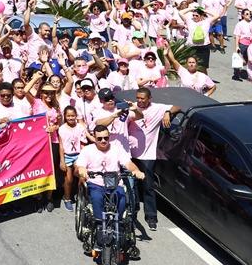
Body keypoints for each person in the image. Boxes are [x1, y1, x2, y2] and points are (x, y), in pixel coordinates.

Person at [127, 87, 177, 231]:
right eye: (138, 98)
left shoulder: (158, 108)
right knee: (131, 187)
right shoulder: (132, 108)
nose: (140, 101)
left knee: (148, 187)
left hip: (147, 156)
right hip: (130, 154)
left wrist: (167, 112)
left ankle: (151, 217)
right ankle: (132, 216)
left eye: (143, 98)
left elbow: (177, 106)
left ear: (149, 99)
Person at [76, 124, 144, 225]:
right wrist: (82, 170)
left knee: (121, 199)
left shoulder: (117, 149)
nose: (103, 140)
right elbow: (79, 166)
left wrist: (136, 171)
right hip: (96, 183)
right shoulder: (87, 150)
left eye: (106, 138)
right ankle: (100, 226)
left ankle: (118, 224)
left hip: (114, 183)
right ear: (94, 138)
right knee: (97, 198)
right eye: (99, 138)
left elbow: (128, 163)